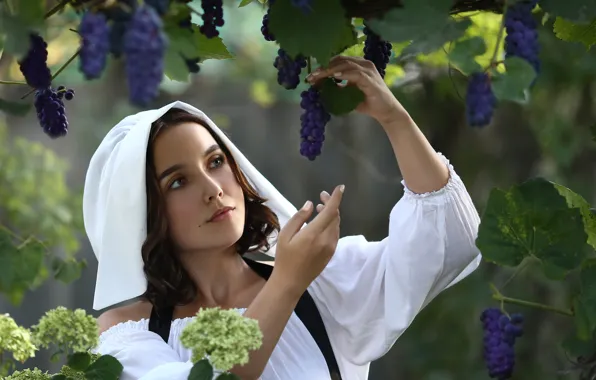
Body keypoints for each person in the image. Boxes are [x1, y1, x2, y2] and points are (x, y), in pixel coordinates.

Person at [83, 56, 482, 380]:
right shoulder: (127, 333)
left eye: (216, 162)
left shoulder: (321, 286)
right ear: (144, 213)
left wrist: (394, 118)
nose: (213, 188)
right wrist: (288, 281)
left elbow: (445, 241)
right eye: (177, 182)